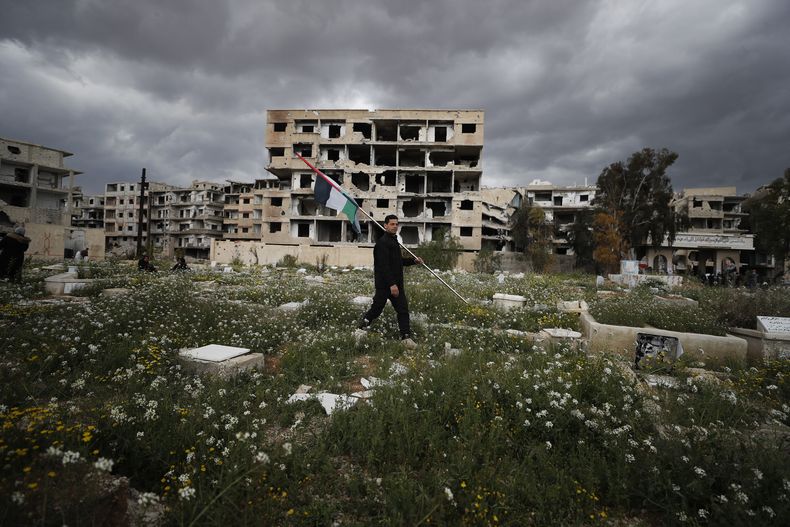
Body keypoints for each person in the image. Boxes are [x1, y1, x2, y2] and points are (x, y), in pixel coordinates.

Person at [358, 215, 423, 348]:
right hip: (385, 285)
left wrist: (413, 261)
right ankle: (360, 329)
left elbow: (398, 262)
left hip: (397, 285)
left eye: (396, 224)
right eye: (392, 224)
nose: (395, 226)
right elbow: (383, 266)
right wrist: (391, 284)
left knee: (403, 310)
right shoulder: (382, 243)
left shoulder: (394, 241)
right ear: (385, 225)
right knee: (376, 309)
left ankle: (406, 338)